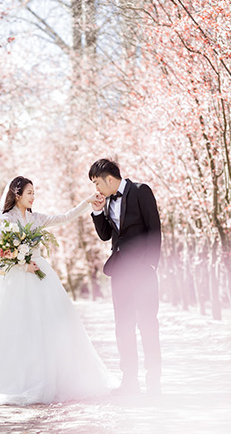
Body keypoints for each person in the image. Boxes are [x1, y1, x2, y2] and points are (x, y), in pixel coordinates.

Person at [0, 176, 112, 406]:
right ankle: (8, 378)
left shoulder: (36, 218)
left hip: (40, 274)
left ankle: (49, 375)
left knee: (48, 324)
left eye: (34, 193)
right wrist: (21, 264)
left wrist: (88, 201)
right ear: (17, 194)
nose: (33, 197)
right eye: (29, 193)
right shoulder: (5, 219)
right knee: (12, 327)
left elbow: (65, 217)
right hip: (15, 278)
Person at [89, 158, 162, 396]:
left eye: (97, 183)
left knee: (148, 326)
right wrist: (98, 211)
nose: (96, 189)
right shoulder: (108, 201)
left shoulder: (141, 191)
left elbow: (154, 228)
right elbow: (105, 235)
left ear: (109, 179)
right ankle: (130, 382)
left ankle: (154, 383)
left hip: (142, 272)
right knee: (123, 327)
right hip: (119, 273)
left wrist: (150, 264)